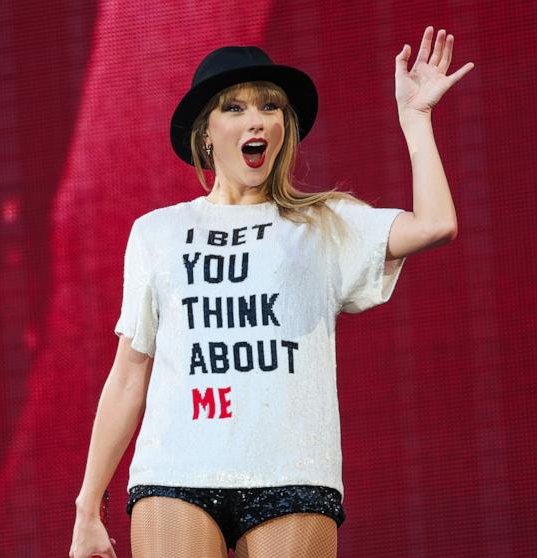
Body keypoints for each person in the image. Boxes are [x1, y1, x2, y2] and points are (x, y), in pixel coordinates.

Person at [70, 27, 474, 558]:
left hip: (293, 473)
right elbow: (128, 376)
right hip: (176, 471)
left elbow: (436, 224)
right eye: (234, 107)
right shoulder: (156, 233)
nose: (256, 119)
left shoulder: (324, 224)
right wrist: (86, 507)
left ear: (284, 126)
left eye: (269, 106)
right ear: (206, 133)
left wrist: (416, 120)